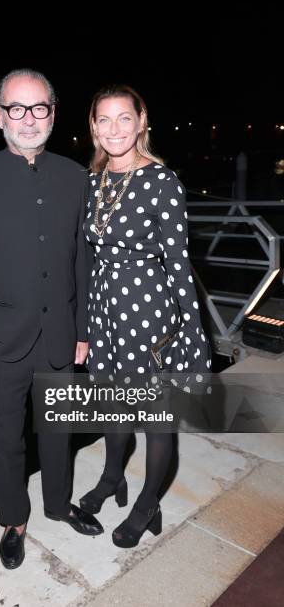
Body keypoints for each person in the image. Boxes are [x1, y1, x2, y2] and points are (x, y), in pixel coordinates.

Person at [0, 69, 103, 570]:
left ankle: (57, 505)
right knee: (4, 439)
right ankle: (14, 520)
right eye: (17, 108)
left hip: (59, 337)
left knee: (59, 433)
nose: (28, 119)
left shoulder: (76, 177)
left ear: (53, 113)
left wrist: (82, 333)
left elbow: (82, 260)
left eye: (39, 108)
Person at [82, 85, 211, 548]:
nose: (114, 128)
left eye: (124, 118)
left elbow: (179, 262)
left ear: (141, 121)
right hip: (106, 311)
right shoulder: (95, 179)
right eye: (104, 119)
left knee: (156, 419)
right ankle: (112, 476)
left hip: (150, 312)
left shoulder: (162, 181)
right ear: (93, 127)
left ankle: (147, 503)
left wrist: (192, 335)